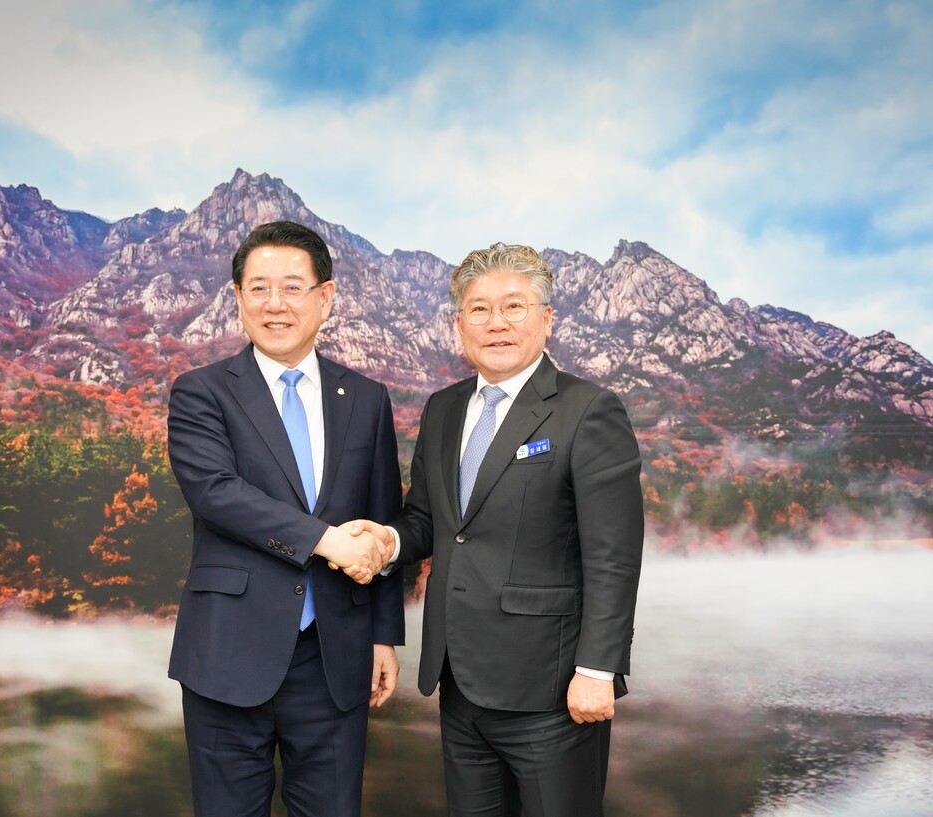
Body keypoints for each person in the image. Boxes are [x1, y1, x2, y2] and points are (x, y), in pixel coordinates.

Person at [354, 242, 644, 817]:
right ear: (458, 324)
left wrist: (597, 670)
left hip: (553, 690)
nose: (496, 323)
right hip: (459, 684)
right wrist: (388, 542)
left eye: (514, 306)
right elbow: (430, 520)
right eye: (479, 309)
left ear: (546, 318)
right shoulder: (442, 409)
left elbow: (613, 556)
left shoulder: (589, 409)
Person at [166, 220, 404, 817]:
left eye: (293, 287)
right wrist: (327, 541)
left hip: (335, 656)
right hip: (228, 654)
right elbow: (216, 494)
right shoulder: (200, 392)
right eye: (259, 288)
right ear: (238, 298)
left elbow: (381, 517)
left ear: (326, 298)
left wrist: (383, 635)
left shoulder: (367, 397)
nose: (275, 304)